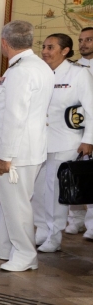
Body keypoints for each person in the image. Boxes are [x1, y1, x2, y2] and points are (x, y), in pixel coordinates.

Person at [0, 20, 52, 271]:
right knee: (3, 200)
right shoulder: (37, 66)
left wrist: (5, 157)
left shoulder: (21, 71)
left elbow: (15, 116)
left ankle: (25, 254)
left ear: (4, 43)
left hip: (17, 152)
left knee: (17, 205)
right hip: (27, 147)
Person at [32, 34, 93, 253]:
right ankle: (40, 228)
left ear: (65, 50)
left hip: (65, 141)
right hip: (38, 141)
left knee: (55, 189)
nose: (45, 51)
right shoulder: (39, 72)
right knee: (37, 190)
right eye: (44, 46)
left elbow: (91, 108)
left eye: (51, 47)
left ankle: (54, 234)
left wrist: (88, 139)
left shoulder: (78, 74)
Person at [67, 27, 93, 237]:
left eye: (89, 40)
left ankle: (92, 224)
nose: (83, 44)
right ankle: (75, 219)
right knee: (74, 174)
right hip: (75, 128)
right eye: (81, 40)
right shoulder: (71, 68)